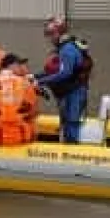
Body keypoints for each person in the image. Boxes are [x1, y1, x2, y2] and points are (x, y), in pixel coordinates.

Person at [33, 16, 93, 144]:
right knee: (66, 122)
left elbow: (65, 73)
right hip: (67, 93)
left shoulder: (67, 49)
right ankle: (66, 141)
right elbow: (53, 71)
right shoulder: (64, 47)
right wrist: (35, 76)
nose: (49, 39)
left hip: (74, 92)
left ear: (58, 33)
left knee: (71, 123)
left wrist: (40, 82)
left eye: (50, 35)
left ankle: (72, 147)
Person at [0, 53, 38, 146]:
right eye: (18, 65)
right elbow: (34, 113)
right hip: (21, 139)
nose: (21, 68)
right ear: (11, 66)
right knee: (31, 122)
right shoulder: (26, 85)